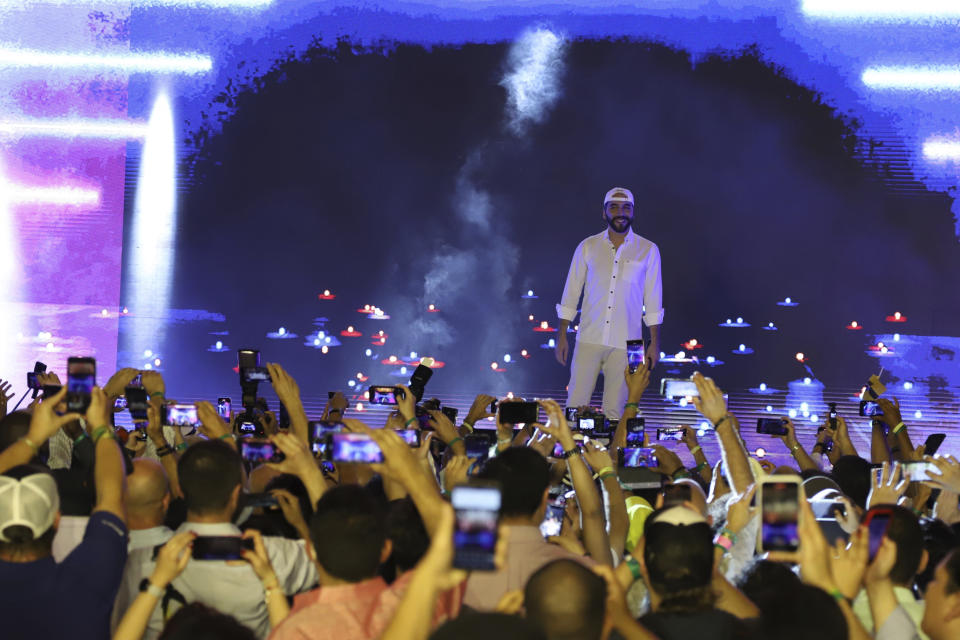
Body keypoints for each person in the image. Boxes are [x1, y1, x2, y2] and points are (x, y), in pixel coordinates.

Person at [113, 439, 318, 639]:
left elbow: (120, 628)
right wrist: (302, 521)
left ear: (179, 492)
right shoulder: (272, 555)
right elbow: (333, 556)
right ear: (237, 494)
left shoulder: (140, 562)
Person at [0, 386, 129, 640]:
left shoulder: (92, 571)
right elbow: (112, 495)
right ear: (57, 519)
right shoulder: (88, 578)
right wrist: (100, 428)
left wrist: (31, 438)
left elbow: (111, 498)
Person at [555, 186, 664, 418]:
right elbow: (571, 292)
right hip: (588, 336)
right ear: (604, 213)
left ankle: (613, 454)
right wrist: (562, 335)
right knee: (575, 405)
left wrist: (654, 342)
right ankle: (571, 452)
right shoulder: (587, 246)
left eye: (626, 207)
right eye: (614, 207)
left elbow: (654, 301)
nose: (620, 212)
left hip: (632, 344)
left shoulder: (649, 250)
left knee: (621, 410)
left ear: (633, 212)